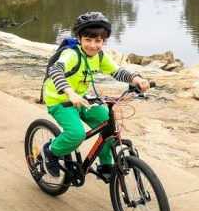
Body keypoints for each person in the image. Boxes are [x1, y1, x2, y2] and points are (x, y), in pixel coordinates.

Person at [40, 12, 150, 177]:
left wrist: (136, 79)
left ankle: (106, 165)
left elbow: (117, 71)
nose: (93, 45)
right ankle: (51, 151)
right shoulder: (71, 54)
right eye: (88, 40)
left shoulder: (99, 56)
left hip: (82, 99)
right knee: (77, 134)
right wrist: (70, 93)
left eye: (98, 41)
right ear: (79, 39)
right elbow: (55, 70)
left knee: (109, 125)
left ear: (103, 41)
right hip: (60, 100)